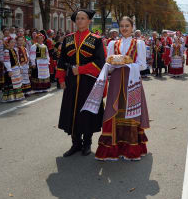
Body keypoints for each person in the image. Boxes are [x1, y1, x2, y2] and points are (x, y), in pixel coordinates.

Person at [88, 16, 149, 161]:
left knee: (131, 113)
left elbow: (143, 65)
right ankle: (112, 148)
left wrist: (127, 62)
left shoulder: (139, 43)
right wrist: (111, 64)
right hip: (116, 81)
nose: (124, 28)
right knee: (113, 111)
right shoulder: (112, 44)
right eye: (122, 26)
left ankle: (131, 148)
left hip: (132, 80)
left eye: (127, 25)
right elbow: (108, 64)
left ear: (132, 27)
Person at [56, 9, 106, 157]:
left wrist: (82, 69)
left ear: (89, 21)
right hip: (71, 81)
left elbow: (100, 62)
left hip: (89, 81)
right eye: (77, 18)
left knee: (87, 112)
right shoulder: (68, 39)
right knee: (72, 110)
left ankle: (87, 143)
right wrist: (61, 79)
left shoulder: (96, 40)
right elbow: (61, 61)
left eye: (83, 18)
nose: (80, 21)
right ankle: (75, 143)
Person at [1, 37, 25, 102]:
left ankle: (17, 96)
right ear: (7, 43)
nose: (13, 43)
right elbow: (6, 61)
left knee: (17, 82)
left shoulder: (15, 50)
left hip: (16, 68)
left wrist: (20, 67)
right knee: (11, 83)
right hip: (11, 69)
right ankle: (10, 97)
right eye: (11, 42)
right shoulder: (6, 51)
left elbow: (17, 60)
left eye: (14, 42)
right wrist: (9, 70)